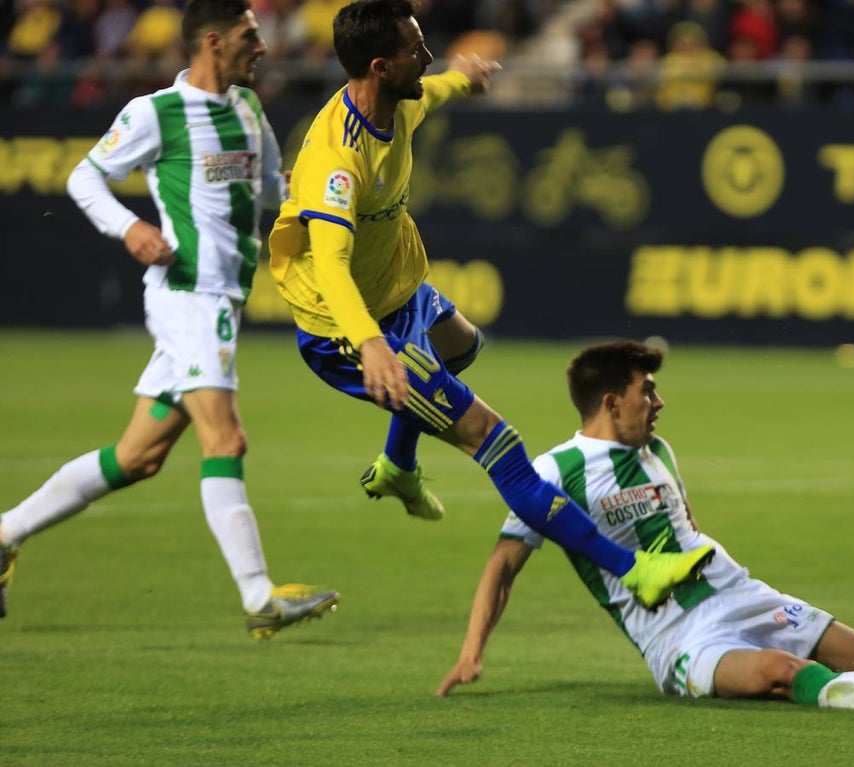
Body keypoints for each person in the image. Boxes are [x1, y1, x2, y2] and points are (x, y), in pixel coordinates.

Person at [266, 0, 713, 612]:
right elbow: (333, 266)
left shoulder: (399, 101)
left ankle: (397, 466)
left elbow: (437, 91)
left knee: (463, 346)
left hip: (399, 292)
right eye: (414, 50)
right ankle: (634, 571)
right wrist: (371, 344)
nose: (426, 58)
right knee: (500, 445)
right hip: (349, 326)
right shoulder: (336, 164)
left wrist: (465, 78)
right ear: (378, 65)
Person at [0, 0, 339, 640]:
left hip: (221, 303)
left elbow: (270, 190)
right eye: (250, 34)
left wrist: (315, 192)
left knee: (138, 457)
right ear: (214, 41)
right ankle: (258, 595)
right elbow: (86, 178)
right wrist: (129, 228)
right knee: (226, 439)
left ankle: (5, 533)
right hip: (188, 295)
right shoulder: (156, 113)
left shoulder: (246, 109)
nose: (262, 45)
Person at [437, 340, 854, 715]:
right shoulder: (554, 472)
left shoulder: (659, 450)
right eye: (646, 391)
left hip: (737, 592)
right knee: (781, 674)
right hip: (676, 637)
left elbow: (688, 527)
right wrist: (471, 653)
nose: (658, 402)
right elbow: (501, 568)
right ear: (610, 401)